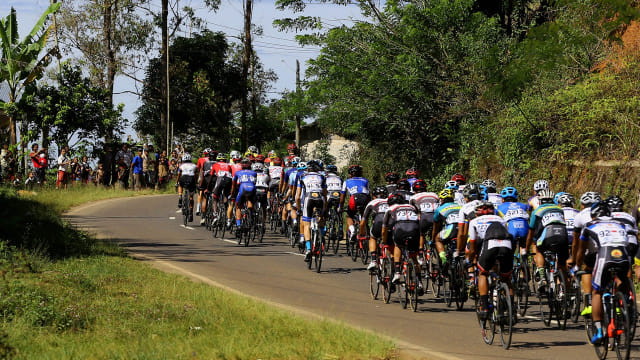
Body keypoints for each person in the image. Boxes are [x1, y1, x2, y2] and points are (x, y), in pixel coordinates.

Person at [577, 202, 633, 344]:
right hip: (624, 255)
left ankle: (599, 329)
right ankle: (623, 307)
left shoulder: (589, 225)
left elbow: (581, 250)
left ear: (593, 215)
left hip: (605, 256)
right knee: (623, 281)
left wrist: (577, 265)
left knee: (597, 292)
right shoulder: (620, 223)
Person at [466, 201, 514, 320]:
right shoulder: (500, 220)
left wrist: (469, 260)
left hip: (489, 244)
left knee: (483, 273)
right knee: (506, 277)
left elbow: (472, 246)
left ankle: (484, 306)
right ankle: (511, 309)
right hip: (507, 245)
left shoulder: (474, 222)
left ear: (476, 213)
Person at [525, 189, 569, 292]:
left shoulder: (537, 211)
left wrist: (527, 248)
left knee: (538, 249)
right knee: (562, 265)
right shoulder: (559, 209)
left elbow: (531, 232)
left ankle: (542, 277)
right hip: (563, 236)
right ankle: (565, 292)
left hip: (548, 235)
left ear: (540, 201)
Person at [382, 193, 424, 295]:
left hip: (401, 229)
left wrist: (384, 242)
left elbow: (384, 229)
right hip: (415, 228)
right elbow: (419, 216)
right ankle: (419, 282)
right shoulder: (411, 206)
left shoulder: (390, 209)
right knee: (414, 257)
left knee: (398, 246)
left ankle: (397, 272)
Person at [295, 160, 326, 261]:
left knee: (306, 224)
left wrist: (299, 209)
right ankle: (321, 240)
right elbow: (325, 194)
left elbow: (298, 197)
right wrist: (325, 210)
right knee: (321, 218)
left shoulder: (302, 176)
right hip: (320, 198)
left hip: (309, 199)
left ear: (308, 169)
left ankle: (308, 249)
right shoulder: (322, 177)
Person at [340, 164, 370, 246]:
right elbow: (368, 194)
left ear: (350, 174)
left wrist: (341, 207)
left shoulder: (346, 181)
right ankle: (364, 231)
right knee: (364, 216)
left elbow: (342, 196)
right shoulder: (366, 180)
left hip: (354, 199)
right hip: (365, 198)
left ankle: (352, 230)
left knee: (349, 216)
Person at [361, 186, 389, 270]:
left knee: (372, 237)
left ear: (374, 196)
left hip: (378, 222)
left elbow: (363, 222)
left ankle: (373, 260)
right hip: (390, 223)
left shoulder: (371, 203)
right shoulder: (389, 201)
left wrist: (361, 233)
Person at [432, 188, 462, 268]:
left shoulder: (439, 209)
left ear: (441, 199)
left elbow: (436, 228)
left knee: (437, 239)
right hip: (463, 229)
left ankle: (444, 259)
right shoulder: (460, 206)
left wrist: (432, 239)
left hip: (451, 228)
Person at [497, 186, 529, 255]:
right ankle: (524, 258)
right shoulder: (523, 205)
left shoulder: (499, 207)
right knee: (523, 245)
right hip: (524, 228)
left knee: (509, 249)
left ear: (502, 199)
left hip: (511, 229)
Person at [231, 158, 257, 237]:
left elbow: (234, 184)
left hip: (243, 189)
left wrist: (232, 193)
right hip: (252, 189)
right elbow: (254, 182)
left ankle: (239, 225)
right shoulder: (254, 172)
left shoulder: (237, 172)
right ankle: (251, 216)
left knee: (238, 206)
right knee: (250, 202)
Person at [210, 153, 232, 224]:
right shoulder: (228, 165)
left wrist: (208, 187)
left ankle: (215, 214)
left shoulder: (215, 165)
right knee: (226, 197)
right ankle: (226, 211)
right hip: (228, 180)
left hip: (220, 179)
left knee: (215, 198)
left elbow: (211, 177)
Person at [176, 153, 197, 222]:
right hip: (191, 179)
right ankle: (191, 212)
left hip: (184, 177)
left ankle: (180, 196)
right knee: (191, 197)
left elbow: (179, 174)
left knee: (180, 185)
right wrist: (196, 182)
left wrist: (177, 182)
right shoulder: (194, 165)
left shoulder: (181, 165)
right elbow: (196, 175)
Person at [253, 162, 270, 228]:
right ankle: (264, 222)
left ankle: (253, 216)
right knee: (264, 208)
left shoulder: (252, 174)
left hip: (255, 191)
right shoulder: (266, 175)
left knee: (252, 204)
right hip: (263, 191)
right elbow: (268, 183)